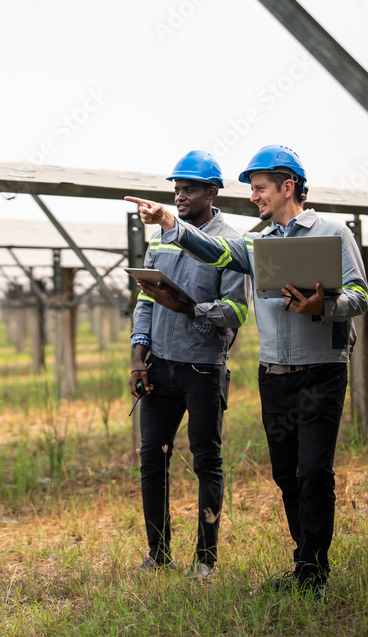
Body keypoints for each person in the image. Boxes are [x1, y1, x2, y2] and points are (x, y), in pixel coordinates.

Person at [125, 144, 368, 598]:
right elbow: (212, 250)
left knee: (314, 471)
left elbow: (360, 295)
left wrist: (327, 305)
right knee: (286, 473)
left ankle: (315, 573)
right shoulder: (258, 245)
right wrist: (168, 224)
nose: (254, 197)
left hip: (321, 370)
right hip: (273, 374)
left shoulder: (332, 232)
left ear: (286, 186)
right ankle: (305, 566)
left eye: (259, 189)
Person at [129, 150, 251, 581]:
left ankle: (205, 559)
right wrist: (139, 357)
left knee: (207, 462)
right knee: (152, 458)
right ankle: (158, 553)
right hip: (159, 366)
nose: (180, 197)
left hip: (202, 368)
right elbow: (145, 299)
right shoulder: (160, 238)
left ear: (212, 192)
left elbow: (235, 312)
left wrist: (186, 307)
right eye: (177, 189)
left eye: (190, 189)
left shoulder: (230, 244)